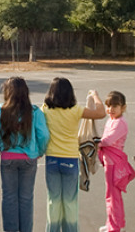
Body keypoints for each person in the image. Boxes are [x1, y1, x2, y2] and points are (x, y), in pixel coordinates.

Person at [41, 77, 105, 232]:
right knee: (70, 202)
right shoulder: (75, 110)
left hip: (51, 159)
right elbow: (101, 112)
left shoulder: (45, 109)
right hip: (70, 159)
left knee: (54, 202)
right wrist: (95, 95)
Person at [0, 77, 50, 232]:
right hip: (29, 157)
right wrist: (40, 151)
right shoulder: (35, 111)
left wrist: (1, 146)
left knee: (9, 198)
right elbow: (43, 135)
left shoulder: (1, 110)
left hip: (8, 157)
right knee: (26, 198)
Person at [98, 91, 135, 232]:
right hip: (109, 161)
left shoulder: (120, 123)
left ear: (123, 107)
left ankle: (114, 227)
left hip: (114, 162)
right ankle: (114, 223)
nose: (110, 109)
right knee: (112, 195)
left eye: (114, 106)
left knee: (113, 196)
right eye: (108, 106)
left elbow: (107, 140)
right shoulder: (112, 120)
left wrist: (96, 142)